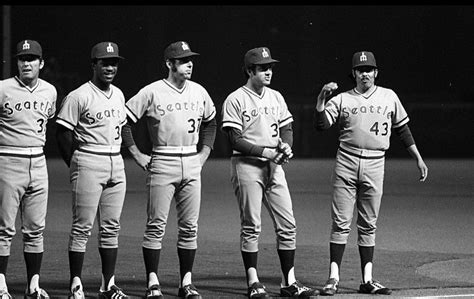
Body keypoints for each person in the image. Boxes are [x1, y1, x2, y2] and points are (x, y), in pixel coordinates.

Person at [313, 51, 429, 296]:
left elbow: (403, 129)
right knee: (341, 222)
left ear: (376, 72)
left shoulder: (389, 96)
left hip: (376, 163)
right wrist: (321, 100)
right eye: (360, 70)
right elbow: (322, 125)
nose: (365, 74)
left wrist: (417, 158)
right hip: (347, 161)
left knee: (368, 224)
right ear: (353, 73)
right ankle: (333, 277)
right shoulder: (343, 99)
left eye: (369, 69)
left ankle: (367, 279)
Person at [220, 47, 320, 299]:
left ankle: (289, 281)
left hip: (274, 167)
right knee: (251, 225)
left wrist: (287, 145)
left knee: (288, 224)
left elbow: (287, 127)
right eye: (263, 67)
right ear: (249, 70)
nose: (268, 71)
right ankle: (253, 282)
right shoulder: (235, 99)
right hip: (246, 166)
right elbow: (234, 139)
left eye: (270, 67)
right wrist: (266, 152)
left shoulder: (276, 96)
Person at [121, 40, 216, 299]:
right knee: (156, 226)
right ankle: (153, 282)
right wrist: (137, 154)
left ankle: (186, 282)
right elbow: (124, 122)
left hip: (191, 161)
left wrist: (204, 153)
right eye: (183, 60)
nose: (189, 64)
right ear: (169, 64)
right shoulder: (152, 91)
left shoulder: (199, 91)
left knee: (189, 228)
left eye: (190, 60)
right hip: (162, 160)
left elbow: (210, 123)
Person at [55, 42, 129, 299]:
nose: (110, 67)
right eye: (104, 62)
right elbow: (63, 132)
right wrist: (75, 163)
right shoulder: (79, 95)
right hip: (88, 159)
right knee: (82, 227)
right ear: (94, 65)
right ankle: (75, 284)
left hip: (116, 163)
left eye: (114, 62)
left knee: (111, 227)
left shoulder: (118, 94)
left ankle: (108, 286)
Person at [0, 39, 57, 299]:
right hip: (8, 161)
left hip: (39, 162)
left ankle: (33, 286)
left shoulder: (50, 91)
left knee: (35, 229)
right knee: (4, 229)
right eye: (22, 59)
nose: (26, 63)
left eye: (32, 59)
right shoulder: (3, 89)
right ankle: (0, 285)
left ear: (41, 63)